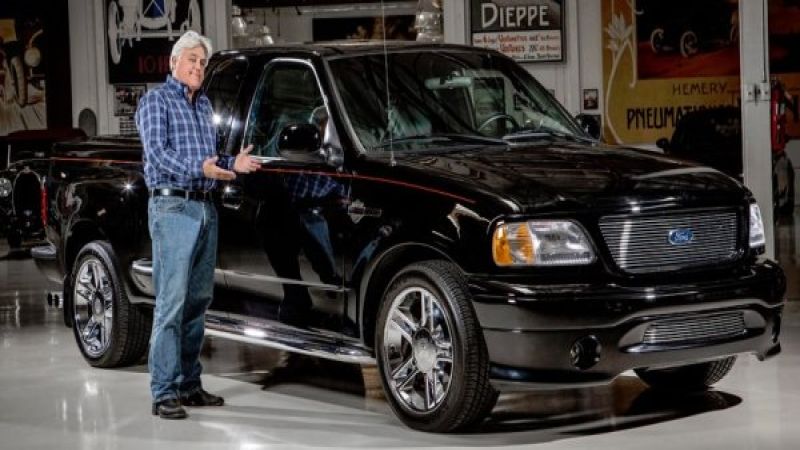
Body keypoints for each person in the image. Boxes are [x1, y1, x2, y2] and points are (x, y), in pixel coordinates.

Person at [135, 30, 260, 420]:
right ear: (174, 62)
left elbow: (210, 157)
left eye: (203, 62)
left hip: (205, 208)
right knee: (171, 303)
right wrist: (200, 168)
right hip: (172, 207)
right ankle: (163, 391)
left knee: (197, 302)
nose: (198, 67)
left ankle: (189, 385)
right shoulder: (155, 101)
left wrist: (232, 163)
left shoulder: (203, 104)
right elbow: (157, 153)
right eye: (192, 60)